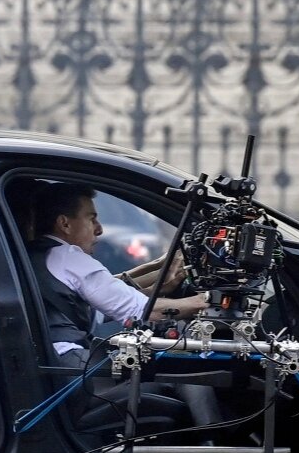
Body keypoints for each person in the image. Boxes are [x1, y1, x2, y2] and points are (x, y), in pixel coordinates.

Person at [28, 181, 221, 435]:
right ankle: (214, 443)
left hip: (61, 369)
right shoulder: (68, 257)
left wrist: (159, 278)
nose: (99, 229)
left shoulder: (40, 255)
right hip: (73, 373)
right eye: (91, 219)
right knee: (182, 366)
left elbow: (108, 296)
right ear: (65, 223)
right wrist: (211, 301)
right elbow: (146, 311)